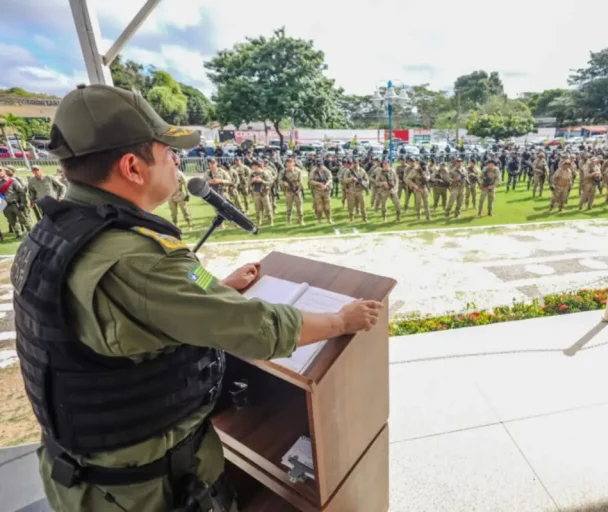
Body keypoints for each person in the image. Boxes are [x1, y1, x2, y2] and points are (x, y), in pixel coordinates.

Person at [14, 83, 384, 512]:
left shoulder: (54, 233)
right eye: (169, 152)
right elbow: (257, 329)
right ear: (133, 167)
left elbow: (143, 310)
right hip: (146, 489)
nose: (177, 161)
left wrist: (217, 289)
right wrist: (341, 321)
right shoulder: (137, 258)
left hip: (85, 473)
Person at [0, 167, 31, 237]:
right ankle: (18, 233)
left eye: (1, 171)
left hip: (15, 204)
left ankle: (31, 231)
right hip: (5, 206)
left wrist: (23, 203)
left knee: (23, 219)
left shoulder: (12, 181)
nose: (0, 173)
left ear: (4, 171)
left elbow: (21, 192)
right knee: (12, 220)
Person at [167, 155, 192, 230]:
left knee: (185, 210)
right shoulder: (167, 173)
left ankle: (189, 224)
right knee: (173, 212)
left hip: (179, 194)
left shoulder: (179, 173)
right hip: (170, 196)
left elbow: (185, 183)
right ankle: (176, 226)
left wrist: (188, 194)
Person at [280, 156, 304, 226]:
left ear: (293, 163)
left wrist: (298, 190)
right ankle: (288, 221)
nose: (289, 165)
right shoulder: (283, 171)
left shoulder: (298, 171)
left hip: (297, 191)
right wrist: (283, 183)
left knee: (299, 207)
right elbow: (280, 180)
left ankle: (301, 220)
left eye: (290, 163)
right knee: (289, 207)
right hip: (288, 192)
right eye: (288, 163)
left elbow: (301, 181)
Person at [250, 159, 275, 227]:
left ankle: (271, 221)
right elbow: (248, 184)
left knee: (268, 208)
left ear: (257, 166)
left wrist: (261, 181)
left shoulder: (265, 173)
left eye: (254, 166)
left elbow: (270, 182)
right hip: (256, 193)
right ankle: (259, 221)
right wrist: (252, 181)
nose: (253, 168)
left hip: (264, 193)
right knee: (257, 209)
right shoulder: (252, 174)